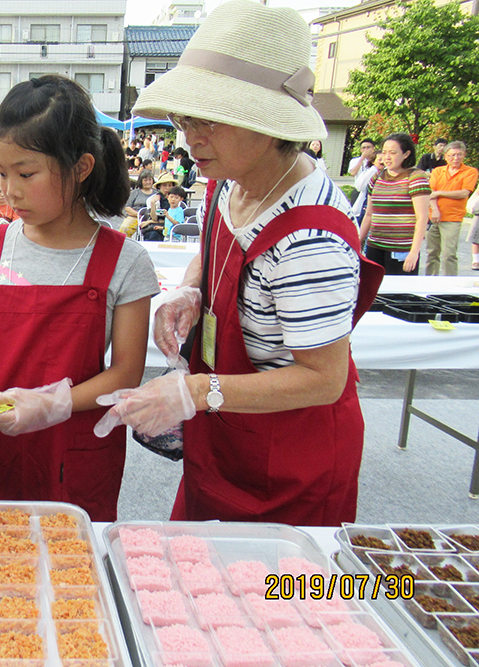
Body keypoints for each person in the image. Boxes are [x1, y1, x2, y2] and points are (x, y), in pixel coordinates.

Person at [98, 0, 384, 526]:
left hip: (291, 465)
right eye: (185, 119)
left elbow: (323, 378)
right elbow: (214, 256)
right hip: (226, 435)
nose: (190, 138)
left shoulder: (311, 237)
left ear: (268, 123)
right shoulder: (230, 175)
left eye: (209, 120)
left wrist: (194, 390)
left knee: (278, 598)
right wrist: (191, 289)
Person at [0, 74, 158, 521]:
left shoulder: (124, 260)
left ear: (82, 167)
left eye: (26, 174)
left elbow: (125, 373)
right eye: (2, 173)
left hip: (66, 453)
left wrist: (52, 403)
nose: (9, 191)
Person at [359, 133, 430, 275]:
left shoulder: (416, 177)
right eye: (384, 152)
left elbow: (422, 218)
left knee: (398, 293)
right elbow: (369, 214)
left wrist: (414, 252)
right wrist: (358, 242)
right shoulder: (377, 177)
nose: (387, 157)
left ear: (406, 154)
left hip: (401, 249)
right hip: (375, 246)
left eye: (393, 153)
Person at [426, 141, 477, 276]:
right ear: (446, 156)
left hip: (452, 217)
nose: (456, 158)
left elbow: (464, 193)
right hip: (433, 216)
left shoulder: (470, 172)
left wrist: (439, 193)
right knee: (431, 252)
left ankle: (449, 283)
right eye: (452, 155)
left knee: (449, 254)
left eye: (459, 155)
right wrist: (435, 209)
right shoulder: (438, 171)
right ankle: (430, 280)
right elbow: (430, 192)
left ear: (464, 155)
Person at [347, 138, 377, 222]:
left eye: (368, 147)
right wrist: (362, 158)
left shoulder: (377, 161)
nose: (366, 150)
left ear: (373, 148)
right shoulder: (355, 160)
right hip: (358, 190)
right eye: (363, 148)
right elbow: (353, 172)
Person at [120, 172, 155, 237]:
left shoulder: (156, 194)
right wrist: (138, 214)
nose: (148, 182)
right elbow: (127, 207)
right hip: (135, 217)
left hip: (151, 218)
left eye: (150, 180)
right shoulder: (135, 192)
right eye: (145, 180)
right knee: (125, 228)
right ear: (141, 181)